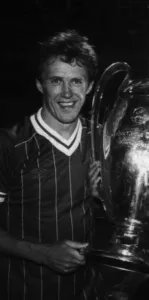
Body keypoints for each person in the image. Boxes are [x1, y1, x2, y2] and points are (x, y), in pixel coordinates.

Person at [0, 29, 104, 300]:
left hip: (85, 290)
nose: (67, 93)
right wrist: (44, 253)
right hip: (21, 289)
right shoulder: (10, 144)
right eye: (56, 80)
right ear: (39, 84)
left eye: (77, 82)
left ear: (90, 86)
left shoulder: (102, 138)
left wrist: (103, 198)